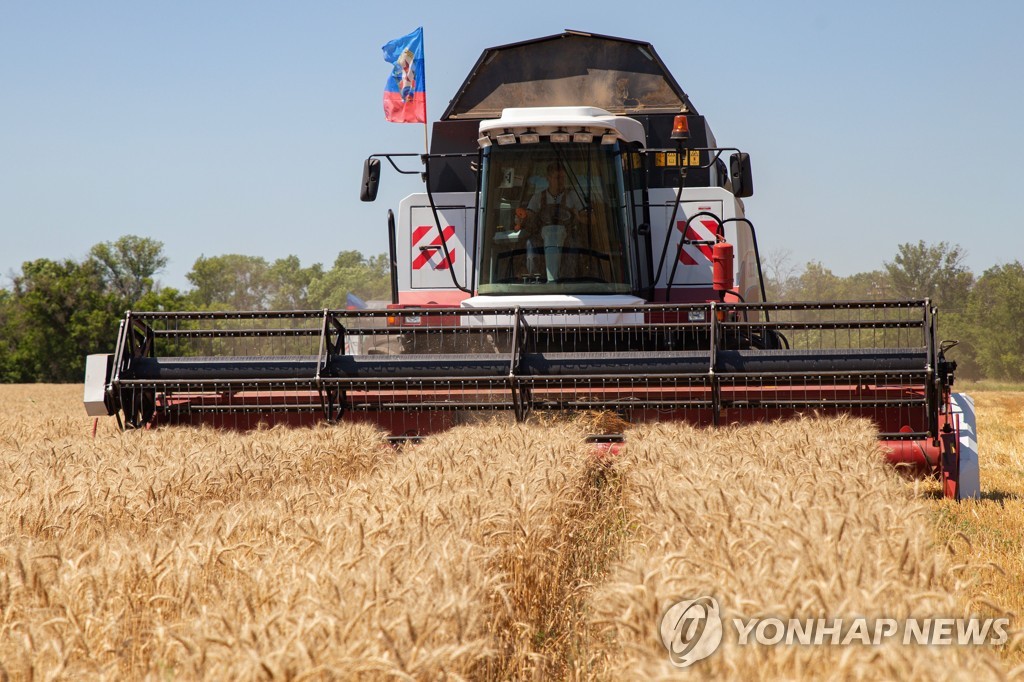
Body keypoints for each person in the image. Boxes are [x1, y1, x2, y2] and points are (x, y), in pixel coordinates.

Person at [524, 163, 586, 282]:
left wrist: (578, 215)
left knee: (575, 244)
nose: (561, 180)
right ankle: (535, 278)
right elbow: (528, 218)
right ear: (548, 178)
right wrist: (524, 218)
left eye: (563, 177)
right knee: (530, 244)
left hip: (567, 237)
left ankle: (570, 280)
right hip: (542, 239)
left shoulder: (573, 196)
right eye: (557, 177)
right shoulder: (537, 198)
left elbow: (591, 220)